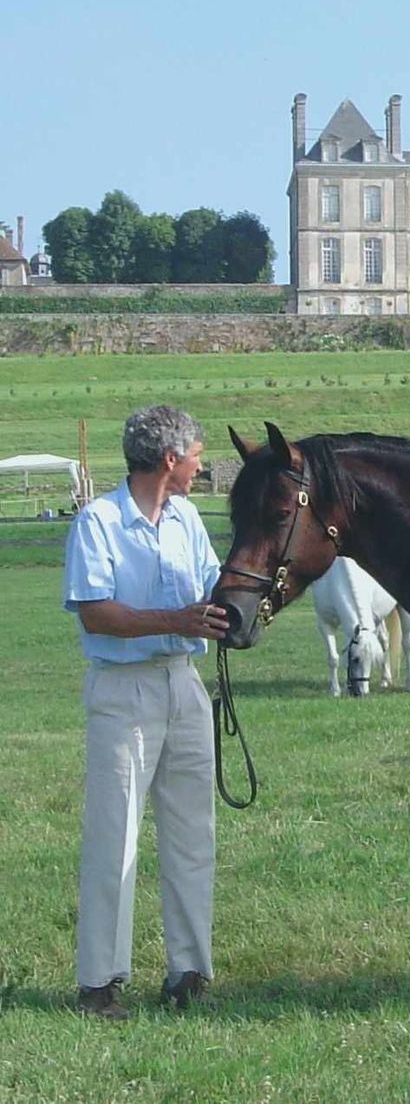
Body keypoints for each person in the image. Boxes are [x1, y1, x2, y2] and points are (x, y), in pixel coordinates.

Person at [62, 405, 228, 1019]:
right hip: (123, 691)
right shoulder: (98, 522)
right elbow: (96, 612)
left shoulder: (186, 519)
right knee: (116, 835)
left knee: (192, 833)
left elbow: (214, 585)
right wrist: (176, 621)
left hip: (183, 684)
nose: (200, 465)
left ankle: (189, 970)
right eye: (196, 455)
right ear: (169, 459)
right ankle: (99, 982)